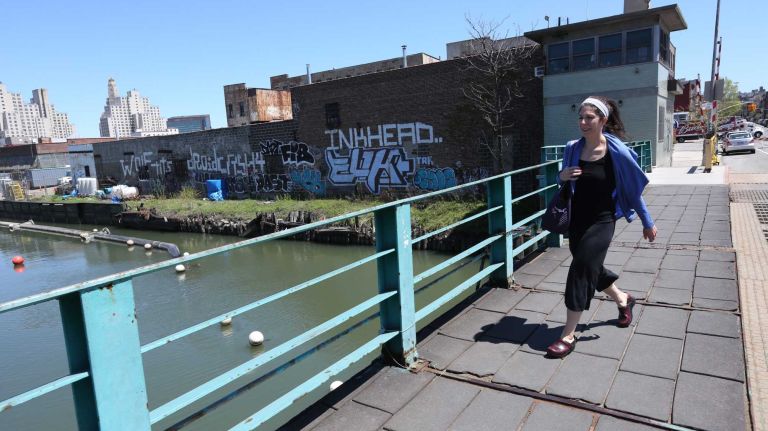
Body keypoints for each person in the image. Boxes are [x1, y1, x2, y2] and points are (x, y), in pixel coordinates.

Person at [546, 96, 658, 359]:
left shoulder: (616, 152)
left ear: (603, 120)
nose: (583, 123)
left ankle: (567, 334)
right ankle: (622, 299)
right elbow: (561, 178)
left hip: (603, 220)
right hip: (576, 220)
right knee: (591, 267)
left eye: (589, 118)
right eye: (581, 117)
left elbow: (632, 190)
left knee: (580, 270)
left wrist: (647, 221)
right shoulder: (572, 148)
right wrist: (560, 176)